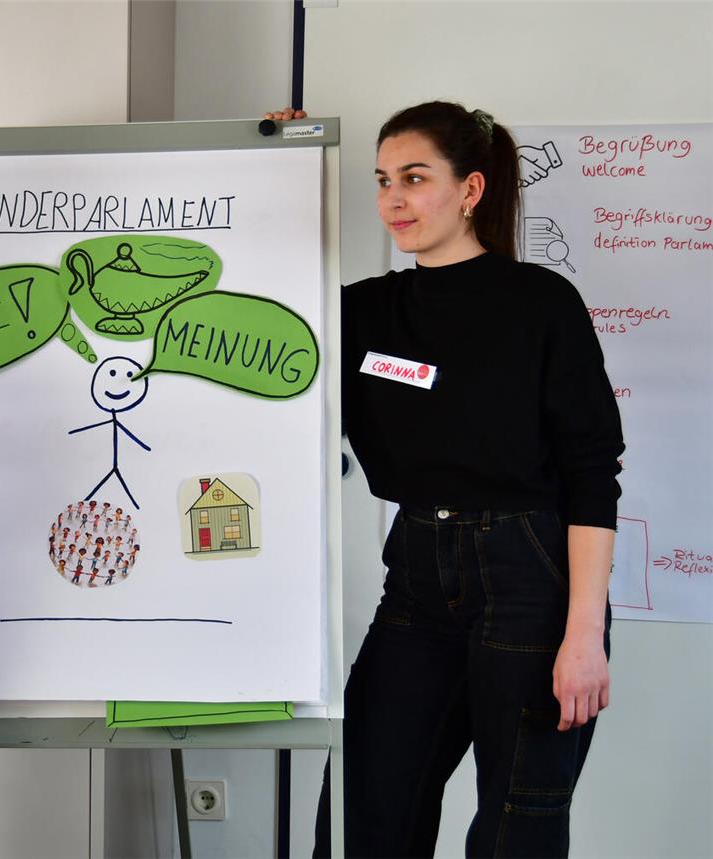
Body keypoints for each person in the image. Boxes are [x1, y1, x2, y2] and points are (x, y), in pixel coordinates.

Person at [264, 103, 624, 857]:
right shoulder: (360, 312)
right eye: (383, 180)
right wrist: (275, 157)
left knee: (513, 828)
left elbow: (593, 473)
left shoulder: (541, 304)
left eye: (416, 177)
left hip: (534, 580)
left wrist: (583, 633)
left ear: (470, 190)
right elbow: (260, 292)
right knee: (368, 808)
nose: (393, 198)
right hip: (420, 577)